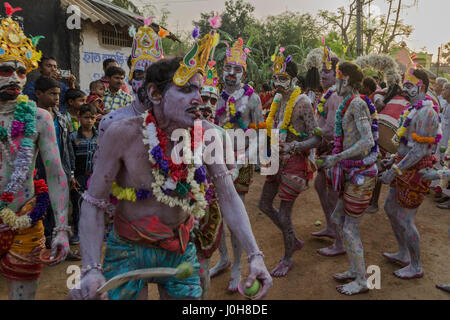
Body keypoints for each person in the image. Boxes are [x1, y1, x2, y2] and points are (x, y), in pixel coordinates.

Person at [70, 32, 272, 300]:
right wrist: (91, 269)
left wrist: (255, 256)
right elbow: (94, 202)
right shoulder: (122, 133)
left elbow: (228, 196)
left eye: (198, 89)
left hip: (180, 248)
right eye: (186, 89)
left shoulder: (207, 134)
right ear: (154, 93)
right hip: (127, 251)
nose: (198, 99)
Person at [0, 5, 70, 299]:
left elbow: (55, 173)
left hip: (25, 220)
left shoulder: (40, 118)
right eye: (5, 69)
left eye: (21, 70)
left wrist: (63, 228)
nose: (15, 77)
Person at [259, 49, 322, 277]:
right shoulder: (277, 100)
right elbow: (274, 128)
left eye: (283, 78)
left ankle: (287, 258)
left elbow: (316, 137)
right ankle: (292, 237)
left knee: (285, 214)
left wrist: (296, 147)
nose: (277, 83)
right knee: (264, 204)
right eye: (275, 78)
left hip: (296, 160)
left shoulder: (302, 102)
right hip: (276, 157)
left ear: (295, 80)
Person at [318, 61, 379, 295]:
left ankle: (363, 280)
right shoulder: (348, 103)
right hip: (353, 173)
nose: (334, 82)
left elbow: (368, 141)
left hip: (362, 174)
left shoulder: (356, 104)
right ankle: (355, 270)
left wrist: (337, 158)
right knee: (338, 218)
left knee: (350, 228)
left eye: (337, 77)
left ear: (346, 80)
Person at [210, 37, 265, 292]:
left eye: (237, 69)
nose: (231, 74)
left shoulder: (252, 99)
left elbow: (261, 134)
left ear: (244, 71)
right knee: (213, 214)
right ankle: (222, 259)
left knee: (236, 216)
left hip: (239, 164)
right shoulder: (213, 95)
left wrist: (244, 160)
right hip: (214, 160)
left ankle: (237, 269)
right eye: (228, 68)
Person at [380, 62, 440, 280]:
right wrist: (392, 160)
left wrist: (394, 169)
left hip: (416, 172)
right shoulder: (412, 109)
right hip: (403, 168)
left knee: (406, 220)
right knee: (389, 208)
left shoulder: (427, 113)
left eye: (409, 85)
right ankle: (403, 252)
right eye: (404, 84)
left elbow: (419, 151)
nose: (404, 89)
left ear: (421, 87)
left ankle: (416, 266)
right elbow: (405, 146)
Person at [306, 45, 345, 257]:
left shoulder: (336, 95)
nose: (322, 74)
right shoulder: (327, 94)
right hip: (324, 150)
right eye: (321, 71)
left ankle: (340, 241)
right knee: (320, 186)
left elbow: (330, 129)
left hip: (334, 151)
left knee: (332, 194)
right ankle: (331, 226)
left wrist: (309, 137)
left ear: (336, 74)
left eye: (327, 71)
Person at [69, 104, 98, 244]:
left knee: (97, 204)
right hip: (79, 176)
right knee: (78, 205)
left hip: (95, 176)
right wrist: (72, 176)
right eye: (86, 117)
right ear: (79, 117)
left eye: (92, 117)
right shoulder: (73, 136)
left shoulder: (100, 136)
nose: (90, 121)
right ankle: (78, 233)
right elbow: (70, 157)